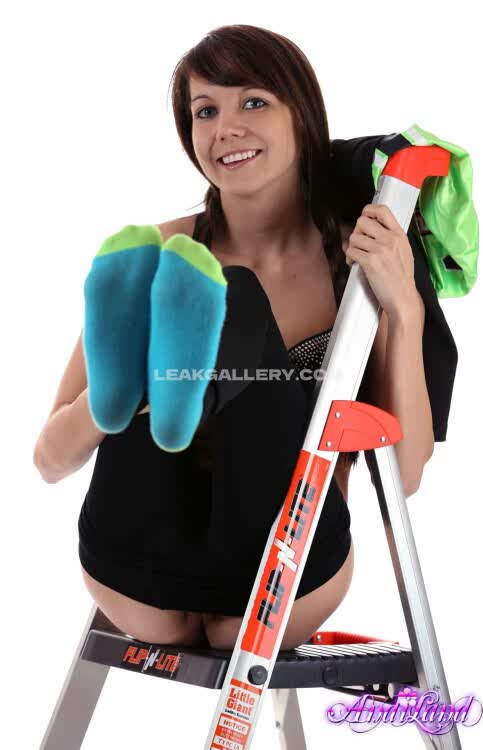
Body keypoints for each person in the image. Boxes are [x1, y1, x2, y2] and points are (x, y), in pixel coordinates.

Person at [33, 24, 457, 650]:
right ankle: (145, 391)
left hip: (284, 569)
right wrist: (111, 403)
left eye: (253, 102)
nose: (225, 128)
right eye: (205, 111)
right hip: (141, 565)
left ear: (301, 114)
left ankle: (177, 377)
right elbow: (50, 461)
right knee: (198, 294)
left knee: (231, 299)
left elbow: (406, 472)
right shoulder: (160, 253)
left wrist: (405, 306)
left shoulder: (364, 262)